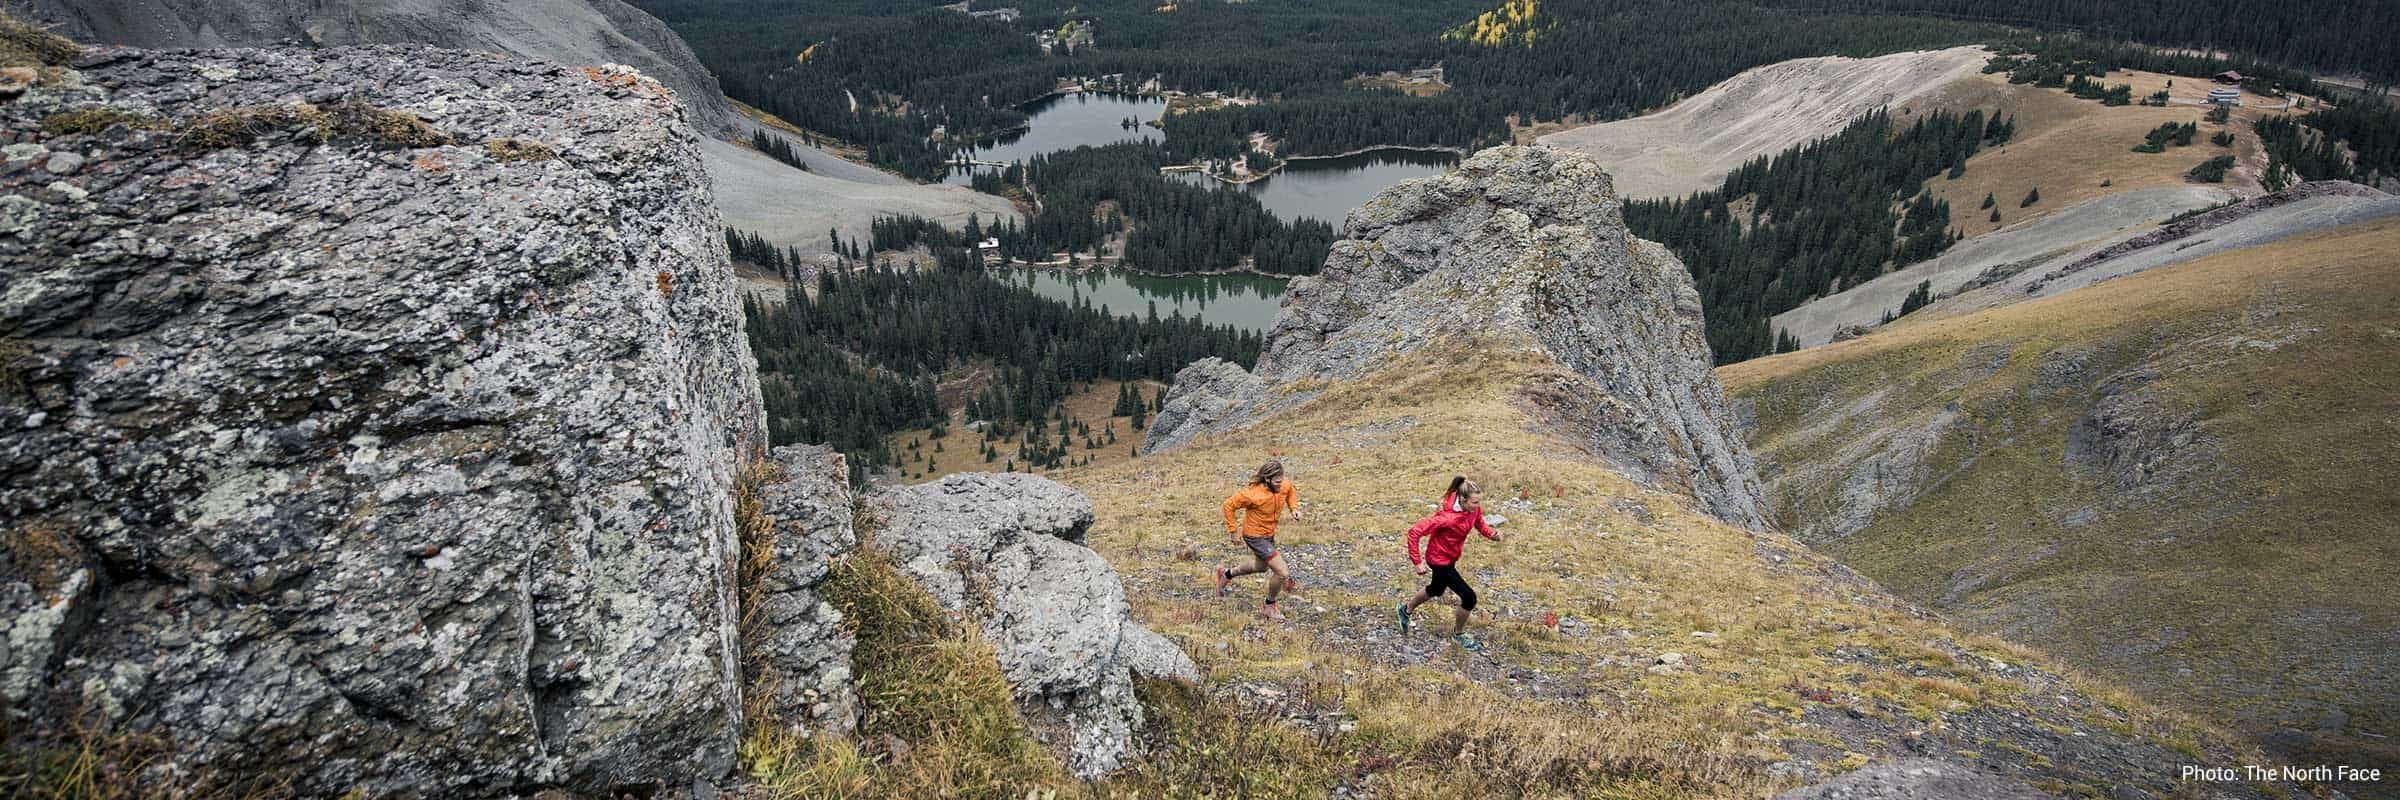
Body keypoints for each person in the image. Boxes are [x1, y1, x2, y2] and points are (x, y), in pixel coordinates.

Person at [1400, 476, 1501, 650]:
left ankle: (1405, 610)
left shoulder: (1472, 509)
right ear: (1463, 500)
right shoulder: (1446, 517)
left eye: (1479, 502)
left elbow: (1479, 523)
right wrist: (1417, 562)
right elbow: (1414, 532)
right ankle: (1458, 634)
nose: (1478, 506)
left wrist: (1491, 534)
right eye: (1475, 502)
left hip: (1450, 557)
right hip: (1439, 560)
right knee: (1469, 598)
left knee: (1436, 589)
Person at [1213, 459, 1301, 621]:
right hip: (1254, 535)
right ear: (1267, 479)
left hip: (1269, 534)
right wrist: (1233, 531)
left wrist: (1294, 508)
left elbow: (1290, 492)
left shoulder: (1284, 484)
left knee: (1260, 567)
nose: (1281, 485)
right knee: (1282, 572)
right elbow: (1228, 505)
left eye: (1282, 480)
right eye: (1277, 482)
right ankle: (1269, 605)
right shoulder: (1252, 494)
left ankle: (1225, 574)